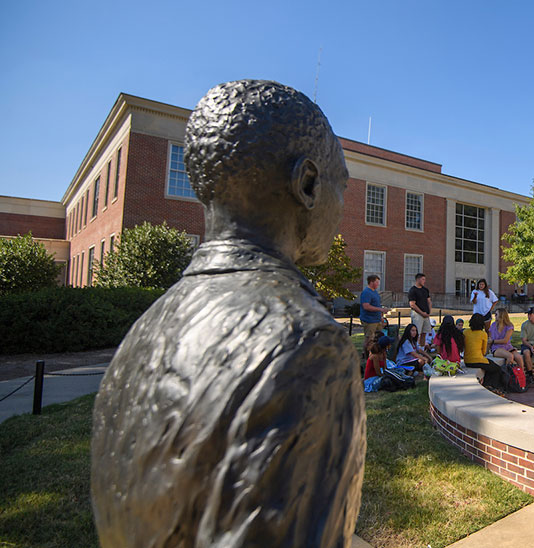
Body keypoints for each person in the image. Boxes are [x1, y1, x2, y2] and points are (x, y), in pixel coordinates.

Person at [90, 80, 364, 547]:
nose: (343, 208)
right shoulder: (307, 346)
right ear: (308, 184)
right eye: (341, 185)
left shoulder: (143, 331)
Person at [464, 313, 503, 392]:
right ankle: (492, 387)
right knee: (497, 368)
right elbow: (484, 352)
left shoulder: (465, 332)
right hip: (478, 360)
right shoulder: (483, 334)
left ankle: (487, 385)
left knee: (489, 366)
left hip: (467, 361)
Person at [360, 274, 391, 354]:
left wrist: (381, 317)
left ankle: (377, 353)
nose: (378, 284)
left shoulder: (375, 292)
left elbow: (376, 305)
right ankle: (366, 355)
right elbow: (366, 306)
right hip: (369, 320)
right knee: (369, 339)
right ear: (371, 282)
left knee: (379, 338)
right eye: (377, 282)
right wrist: (380, 309)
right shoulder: (366, 292)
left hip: (377, 319)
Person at [408, 273, 434, 338]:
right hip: (417, 314)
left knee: (424, 333)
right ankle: (416, 346)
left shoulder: (425, 290)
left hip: (426, 314)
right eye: (423, 279)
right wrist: (422, 313)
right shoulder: (413, 290)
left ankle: (422, 347)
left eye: (424, 279)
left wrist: (429, 312)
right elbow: (412, 304)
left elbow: (429, 301)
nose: (424, 281)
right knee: (417, 333)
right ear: (418, 279)